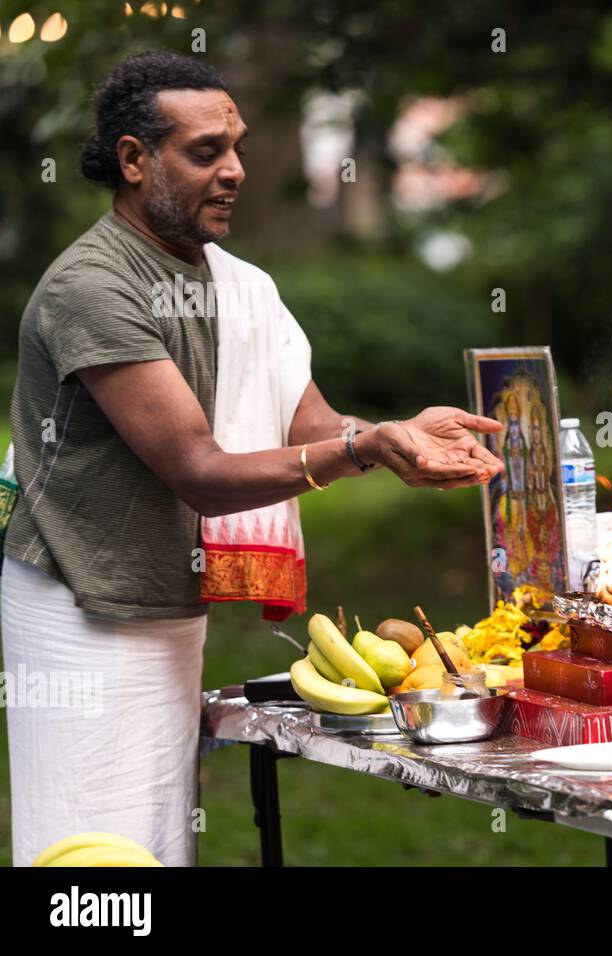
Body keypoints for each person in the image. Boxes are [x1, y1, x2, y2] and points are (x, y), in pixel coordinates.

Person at [1, 52, 504, 866]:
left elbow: (313, 426)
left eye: (235, 145)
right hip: (78, 597)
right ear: (133, 160)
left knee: (161, 832)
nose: (234, 170)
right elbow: (198, 469)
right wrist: (358, 447)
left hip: (167, 588)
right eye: (206, 153)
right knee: (90, 844)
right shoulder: (91, 288)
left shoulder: (234, 283)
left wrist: (393, 434)